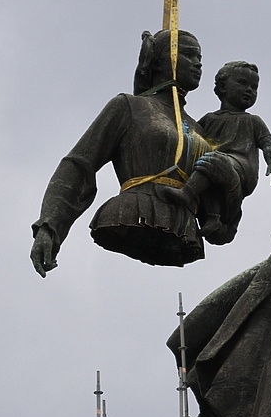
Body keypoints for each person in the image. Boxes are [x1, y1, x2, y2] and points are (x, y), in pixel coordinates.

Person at [30, 29, 243, 272]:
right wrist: (49, 227)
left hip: (182, 229)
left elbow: (219, 232)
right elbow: (79, 165)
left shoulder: (201, 130)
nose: (197, 65)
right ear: (161, 60)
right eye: (188, 55)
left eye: (200, 59)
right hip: (132, 215)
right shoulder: (130, 107)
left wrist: (232, 184)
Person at [160, 60, 271, 245]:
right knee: (206, 168)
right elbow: (192, 135)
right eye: (242, 83)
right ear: (223, 87)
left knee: (212, 163)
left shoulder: (253, 121)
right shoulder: (209, 119)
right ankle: (213, 219)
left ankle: (186, 193)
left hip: (242, 166)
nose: (249, 90)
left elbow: (267, 144)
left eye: (254, 87)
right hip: (213, 162)